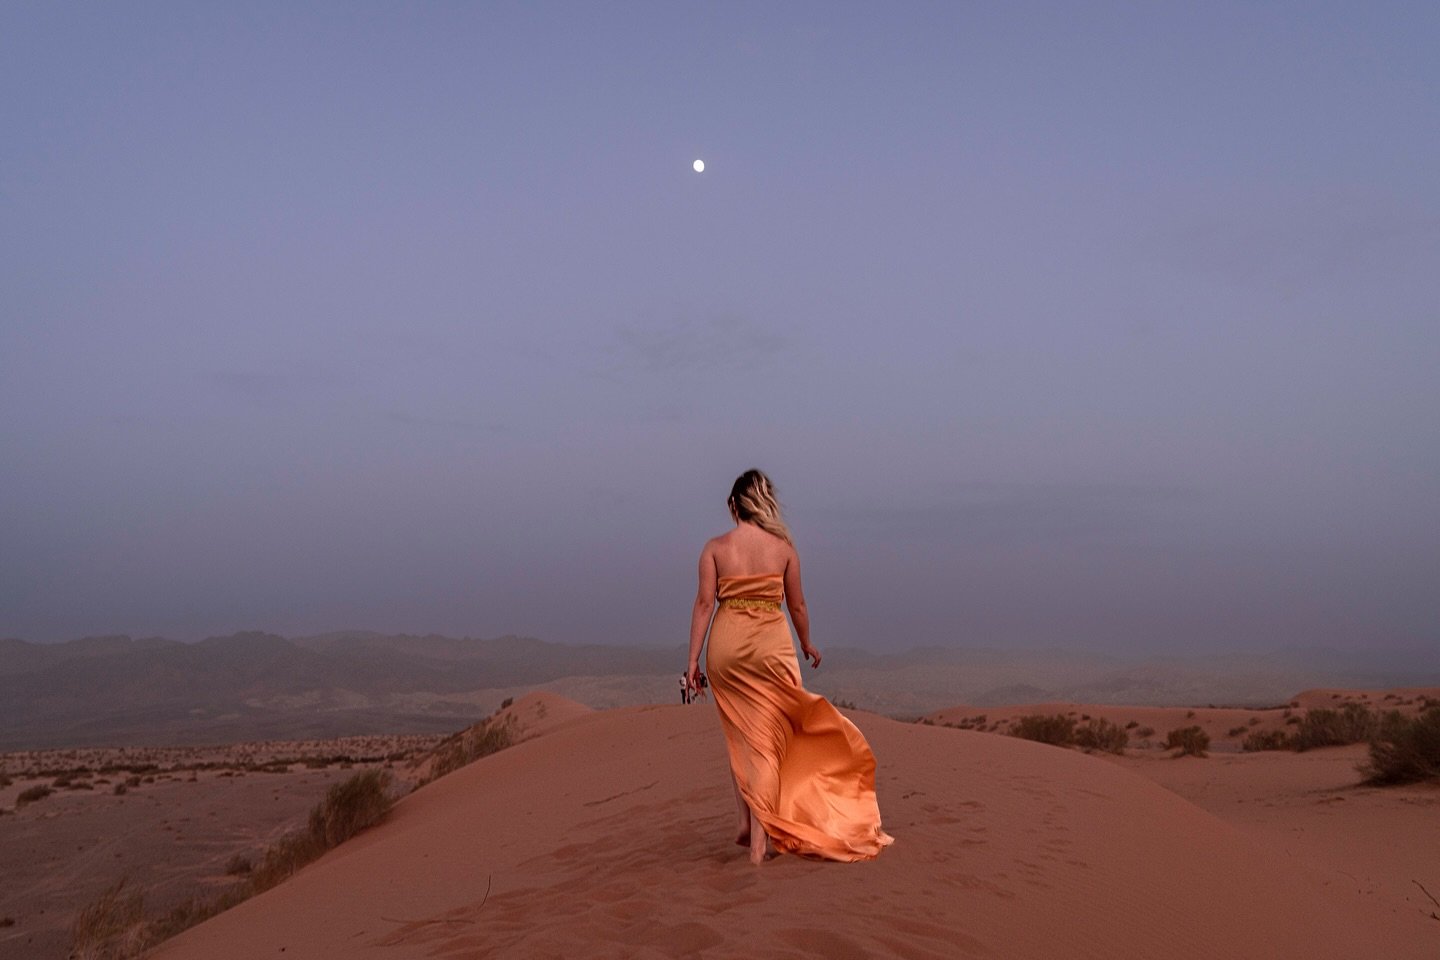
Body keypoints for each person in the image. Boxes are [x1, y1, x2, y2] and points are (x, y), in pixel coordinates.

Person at [686, 468, 894, 865]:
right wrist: (806, 642)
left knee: (741, 736)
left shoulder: (714, 548)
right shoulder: (783, 549)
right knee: (769, 741)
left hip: (726, 649)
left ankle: (747, 823)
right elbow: (797, 605)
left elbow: (704, 604)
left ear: (734, 506)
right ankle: (759, 844)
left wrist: (692, 659)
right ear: (764, 504)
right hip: (771, 648)